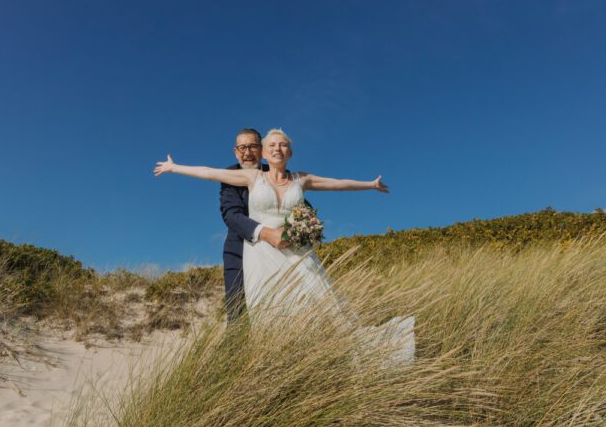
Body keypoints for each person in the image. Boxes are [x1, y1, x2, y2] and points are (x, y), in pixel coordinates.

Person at [154, 128, 415, 365]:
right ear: (265, 153)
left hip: (294, 253)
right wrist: (174, 167)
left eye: (282, 145)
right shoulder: (249, 177)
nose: (276, 149)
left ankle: (326, 359)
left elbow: (335, 184)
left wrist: (370, 185)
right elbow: (210, 174)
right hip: (255, 252)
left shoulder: (300, 179)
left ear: (278, 151)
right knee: (257, 313)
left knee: (316, 305)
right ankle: (259, 366)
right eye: (272, 145)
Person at [219, 128, 284, 323]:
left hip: (281, 252)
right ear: (235, 151)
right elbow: (231, 214)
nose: (247, 153)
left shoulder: (278, 172)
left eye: (253, 146)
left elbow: (297, 205)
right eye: (242, 148)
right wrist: (265, 233)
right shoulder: (229, 175)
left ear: (262, 150)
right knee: (239, 316)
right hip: (239, 253)